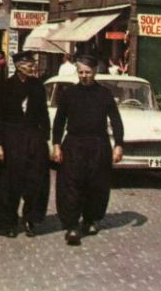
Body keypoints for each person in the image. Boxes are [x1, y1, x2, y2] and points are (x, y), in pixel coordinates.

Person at [51, 54, 124, 245]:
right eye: (81, 72)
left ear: (95, 72)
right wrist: (56, 144)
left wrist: (119, 144)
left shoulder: (105, 94)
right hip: (74, 144)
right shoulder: (68, 94)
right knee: (71, 186)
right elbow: (59, 121)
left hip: (98, 144)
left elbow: (116, 120)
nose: (84, 76)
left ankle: (91, 219)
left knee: (96, 185)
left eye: (88, 72)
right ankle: (72, 226)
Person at [0, 51, 51, 238]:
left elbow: (43, 114)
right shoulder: (5, 87)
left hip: (34, 137)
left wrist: (45, 138)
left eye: (33, 63)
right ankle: (9, 222)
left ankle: (30, 219)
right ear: (17, 66)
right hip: (11, 138)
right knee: (10, 183)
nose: (32, 67)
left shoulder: (38, 86)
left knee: (35, 181)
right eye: (28, 64)